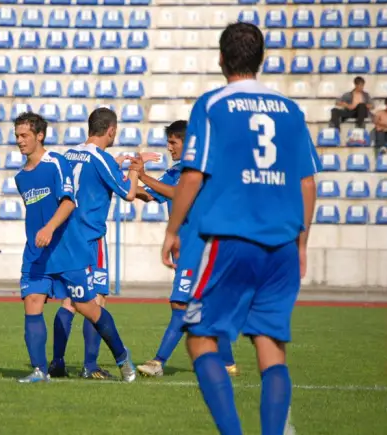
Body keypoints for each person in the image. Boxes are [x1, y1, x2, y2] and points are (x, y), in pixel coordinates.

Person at [160, 23, 320, 434]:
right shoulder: (290, 110)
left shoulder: (213, 104)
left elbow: (192, 177)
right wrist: (302, 242)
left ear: (220, 58)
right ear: (262, 59)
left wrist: (172, 230)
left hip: (231, 240)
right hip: (282, 244)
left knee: (199, 336)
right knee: (270, 349)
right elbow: (307, 183)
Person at [12, 112, 136, 383]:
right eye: (17, 136)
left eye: (24, 136)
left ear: (39, 136)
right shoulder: (20, 177)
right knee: (32, 303)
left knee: (87, 307)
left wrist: (49, 229)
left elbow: (69, 202)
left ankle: (122, 357)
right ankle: (39, 370)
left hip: (67, 250)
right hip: (36, 252)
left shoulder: (57, 162)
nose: (19, 141)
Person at [132, 121, 238, 378]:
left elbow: (179, 195)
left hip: (201, 248)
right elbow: (147, 194)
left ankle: (158, 362)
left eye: (173, 143)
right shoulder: (175, 171)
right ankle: (227, 363)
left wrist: (144, 176)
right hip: (189, 249)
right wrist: (123, 175)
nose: (169, 148)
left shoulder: (200, 172)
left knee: (180, 304)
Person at [48, 108, 140, 380]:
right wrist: (134, 170)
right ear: (111, 130)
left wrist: (116, 164)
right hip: (90, 239)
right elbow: (129, 193)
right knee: (95, 300)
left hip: (65, 237)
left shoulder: (68, 154)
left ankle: (57, 362)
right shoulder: (103, 158)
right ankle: (91, 366)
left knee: (69, 301)